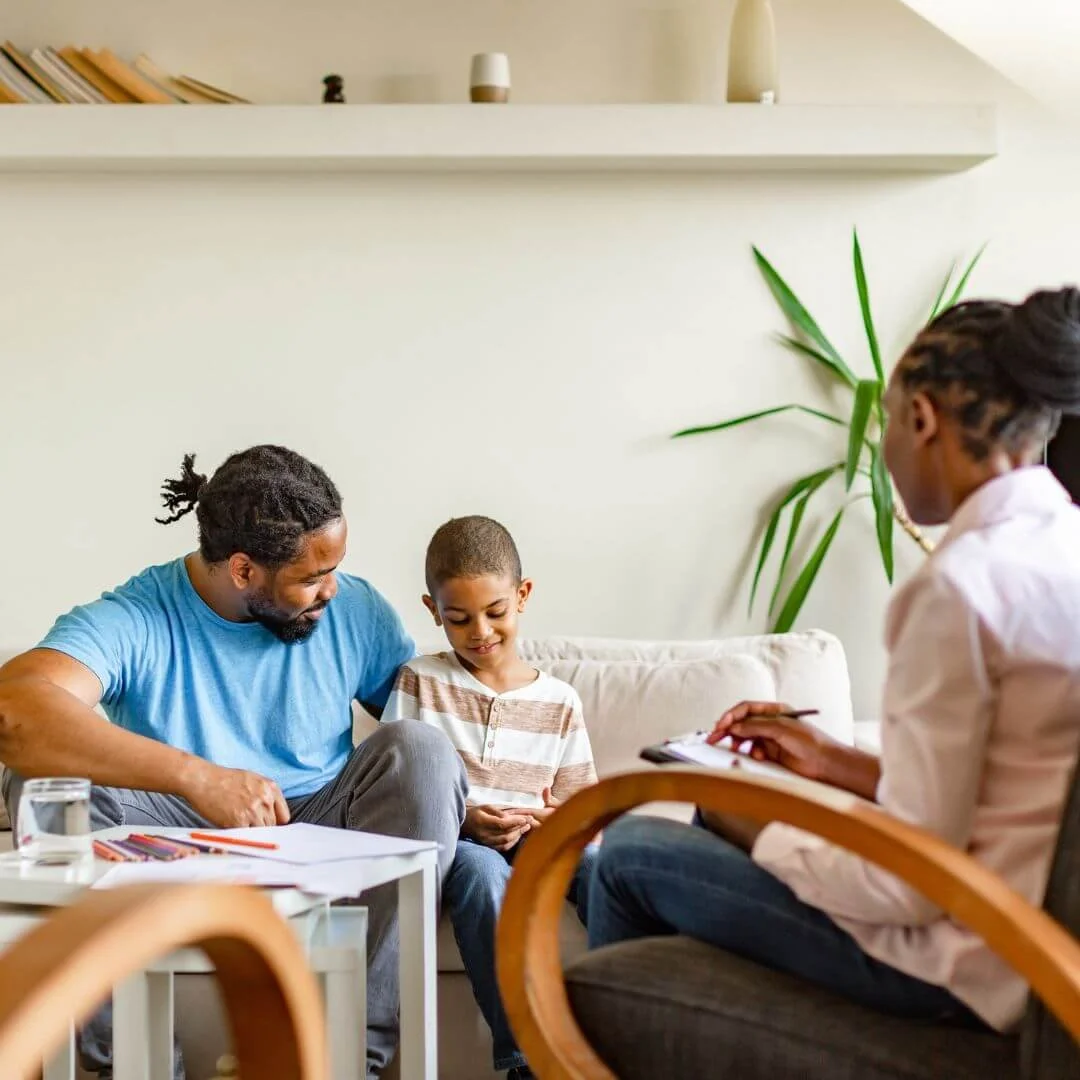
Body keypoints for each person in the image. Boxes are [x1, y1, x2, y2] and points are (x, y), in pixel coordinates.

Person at [587, 287, 1080, 1036]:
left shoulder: (960, 588)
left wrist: (756, 826)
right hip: (1043, 957)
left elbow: (910, 889)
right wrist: (829, 762)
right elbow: (997, 799)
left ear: (922, 420)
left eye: (887, 421)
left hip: (967, 968)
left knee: (629, 851)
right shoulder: (1063, 549)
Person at [0, 445, 468, 1080]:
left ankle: (347, 1063)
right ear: (244, 569)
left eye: (335, 568)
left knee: (423, 749)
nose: (331, 589)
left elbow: (437, 729)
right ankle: (137, 1068)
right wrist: (197, 777)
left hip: (321, 822)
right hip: (172, 836)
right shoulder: (138, 615)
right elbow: (15, 709)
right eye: (312, 576)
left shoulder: (357, 610)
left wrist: (493, 797)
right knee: (45, 776)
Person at [384, 515, 598, 1080]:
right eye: (458, 619)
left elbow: (583, 811)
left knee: (603, 868)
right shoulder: (420, 681)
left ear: (522, 596)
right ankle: (528, 1061)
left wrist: (552, 820)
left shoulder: (560, 701)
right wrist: (466, 821)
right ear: (433, 611)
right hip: (461, 842)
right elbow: (397, 790)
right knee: (483, 873)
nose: (480, 631)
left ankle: (620, 1030)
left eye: (495, 612)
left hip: (536, 841)